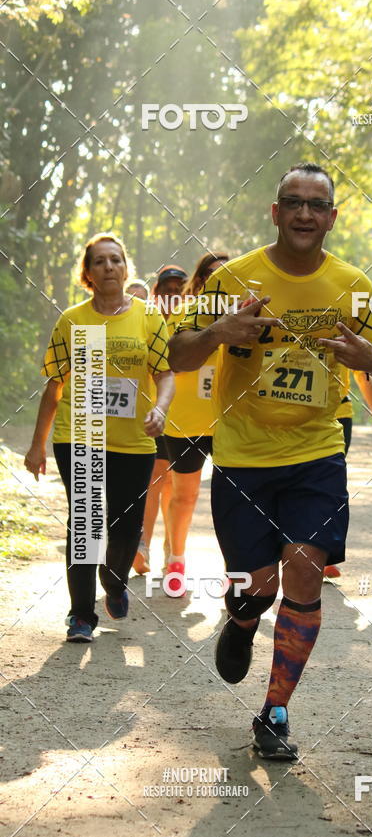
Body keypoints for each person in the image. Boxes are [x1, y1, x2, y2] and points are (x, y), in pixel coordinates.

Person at [169, 162, 372, 759]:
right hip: (244, 455)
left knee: (303, 565)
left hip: (317, 449)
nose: (304, 213)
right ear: (275, 212)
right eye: (292, 202)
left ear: (331, 216)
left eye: (316, 204)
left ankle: (275, 712)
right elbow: (180, 354)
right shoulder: (234, 278)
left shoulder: (351, 284)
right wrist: (222, 330)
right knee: (257, 583)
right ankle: (243, 619)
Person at [25, 233, 173, 642]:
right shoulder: (73, 320)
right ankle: (80, 616)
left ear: (126, 269)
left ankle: (115, 578)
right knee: (86, 524)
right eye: (100, 262)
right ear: (88, 274)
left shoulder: (147, 317)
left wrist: (160, 408)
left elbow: (165, 374)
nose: (109, 267)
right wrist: (38, 444)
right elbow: (55, 385)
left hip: (133, 440)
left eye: (116, 260)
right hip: (80, 436)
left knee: (125, 528)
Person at [161, 251, 229, 595]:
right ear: (200, 281)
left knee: (232, 498)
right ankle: (176, 559)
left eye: (227, 276)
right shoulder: (185, 313)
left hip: (228, 423)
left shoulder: (247, 316)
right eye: (212, 276)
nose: (220, 282)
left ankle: (235, 567)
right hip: (185, 420)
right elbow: (173, 362)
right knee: (184, 496)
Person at [133, 265, 187, 574]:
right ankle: (144, 545)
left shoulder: (193, 319)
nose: (172, 295)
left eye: (178, 290)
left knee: (175, 486)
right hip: (154, 412)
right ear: (157, 292)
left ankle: (172, 548)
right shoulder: (146, 318)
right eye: (167, 290)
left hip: (187, 417)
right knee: (156, 479)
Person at [323, 368, 372, 579]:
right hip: (275, 413)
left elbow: (362, 371)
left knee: (327, 486)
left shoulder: (344, 333)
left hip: (336, 414)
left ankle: (322, 558)